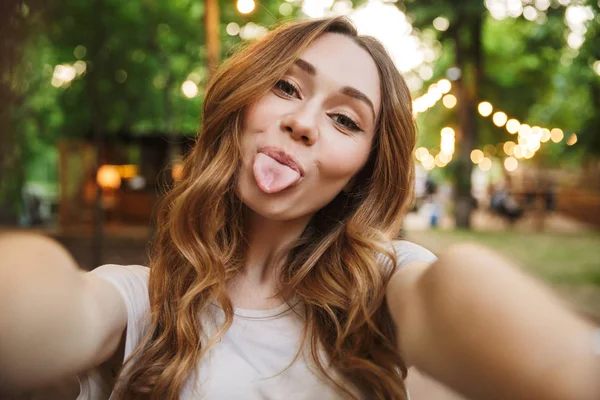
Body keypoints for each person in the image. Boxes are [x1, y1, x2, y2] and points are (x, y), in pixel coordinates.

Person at [0, 16, 599, 400]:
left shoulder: (386, 289)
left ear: (364, 170)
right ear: (240, 109)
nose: (302, 122)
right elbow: (45, 309)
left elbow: (453, 293)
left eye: (344, 118)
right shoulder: (137, 301)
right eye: (286, 87)